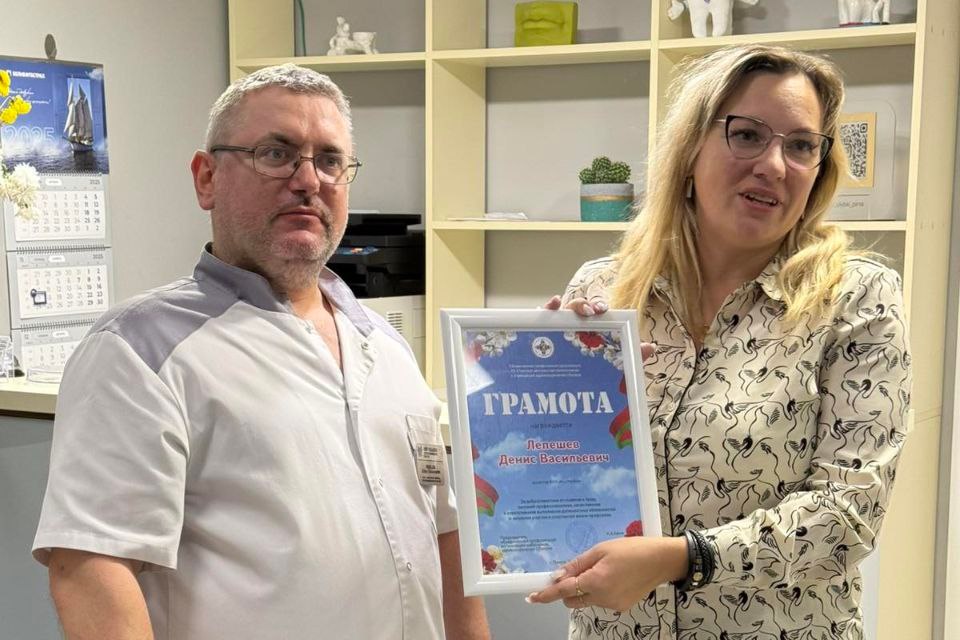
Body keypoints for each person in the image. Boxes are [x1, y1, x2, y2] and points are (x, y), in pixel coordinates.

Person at [32, 64, 489, 640]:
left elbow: (442, 534)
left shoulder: (386, 345)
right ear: (207, 179)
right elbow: (91, 568)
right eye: (276, 154)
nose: (308, 180)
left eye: (330, 160)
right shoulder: (139, 350)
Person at [527, 44, 911, 639]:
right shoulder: (604, 290)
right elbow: (558, 476)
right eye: (748, 135)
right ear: (690, 150)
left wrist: (681, 559)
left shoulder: (856, 299)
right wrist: (537, 384)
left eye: (800, 145)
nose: (774, 165)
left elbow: (849, 515)